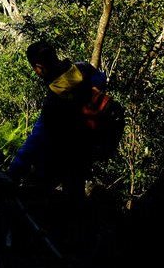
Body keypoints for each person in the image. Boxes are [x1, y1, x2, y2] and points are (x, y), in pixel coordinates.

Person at [8, 41, 97, 202]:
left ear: (39, 67)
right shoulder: (83, 68)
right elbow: (101, 79)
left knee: (52, 189)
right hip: (90, 143)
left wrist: (13, 172)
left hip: (69, 153)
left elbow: (36, 140)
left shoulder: (54, 99)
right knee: (76, 189)